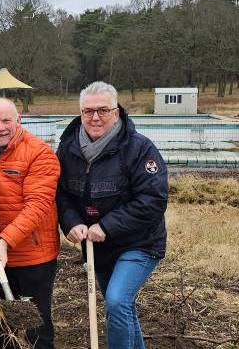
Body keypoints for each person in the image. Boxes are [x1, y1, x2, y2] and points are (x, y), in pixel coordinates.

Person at [55, 81, 168, 349]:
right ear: (80, 113)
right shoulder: (68, 149)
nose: (95, 117)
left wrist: (106, 225)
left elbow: (153, 199)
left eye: (103, 110)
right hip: (99, 247)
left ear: (116, 112)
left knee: (117, 301)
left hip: (139, 243)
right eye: (88, 111)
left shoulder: (139, 148)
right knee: (121, 308)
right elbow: (61, 195)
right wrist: (72, 222)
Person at [0, 98, 60, 349]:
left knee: (36, 324)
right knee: (1, 322)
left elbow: (37, 206)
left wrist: (5, 242)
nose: (0, 127)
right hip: (1, 253)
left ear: (18, 120)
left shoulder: (39, 153)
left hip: (34, 254)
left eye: (6, 121)